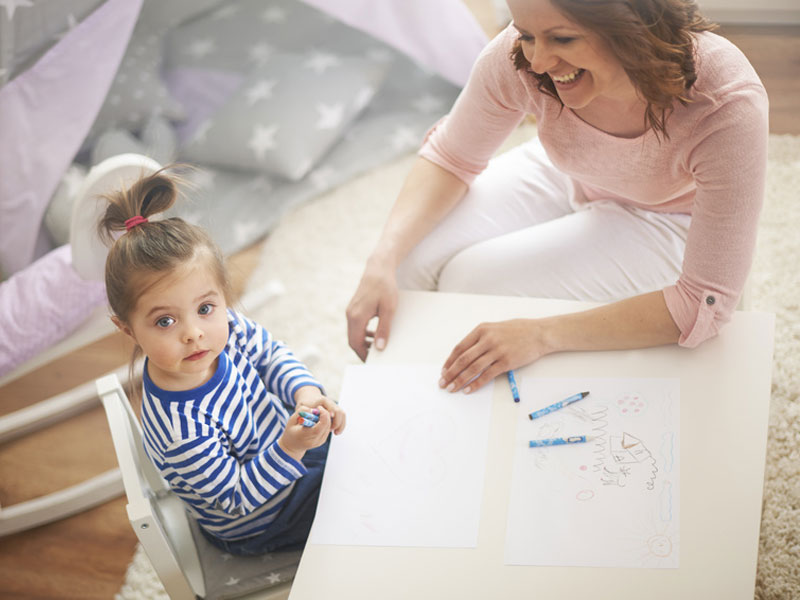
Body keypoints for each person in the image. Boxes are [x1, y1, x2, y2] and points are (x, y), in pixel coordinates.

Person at [346, 0, 768, 394]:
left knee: (471, 283)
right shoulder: (521, 56)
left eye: (562, 39)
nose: (538, 61)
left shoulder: (725, 102)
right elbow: (452, 155)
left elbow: (705, 302)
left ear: (633, 26)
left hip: (671, 218)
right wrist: (381, 259)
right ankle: (396, 399)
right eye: (527, 35)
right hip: (570, 171)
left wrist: (543, 333)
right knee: (410, 261)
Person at [99, 168, 346, 555]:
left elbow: (270, 353)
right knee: (363, 509)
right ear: (127, 328)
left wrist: (306, 393)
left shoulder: (225, 326)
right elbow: (235, 499)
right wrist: (291, 447)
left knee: (369, 444)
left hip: (286, 453)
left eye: (205, 307)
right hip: (266, 516)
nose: (194, 332)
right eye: (165, 321)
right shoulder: (182, 430)